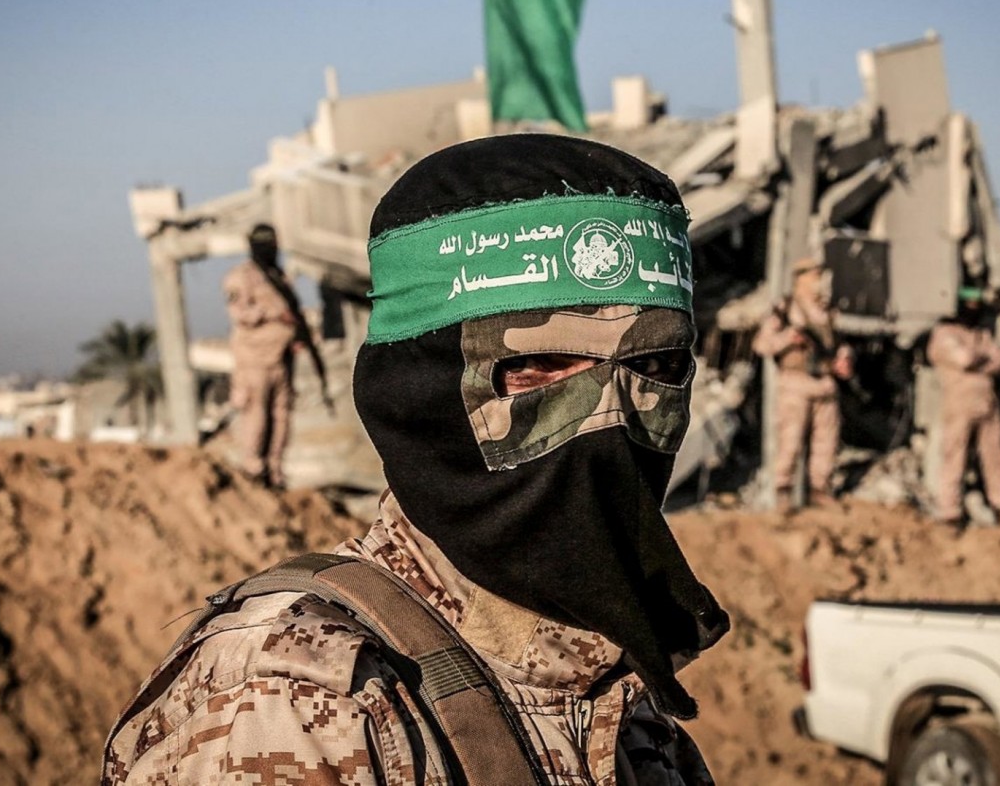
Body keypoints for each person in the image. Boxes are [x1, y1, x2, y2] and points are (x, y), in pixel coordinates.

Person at [104, 135, 730, 784]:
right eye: (538, 367)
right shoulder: (296, 703)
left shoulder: (619, 693)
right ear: (418, 390)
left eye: (655, 367)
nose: (610, 420)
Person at [753, 257, 853, 510]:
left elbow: (840, 341)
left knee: (827, 443)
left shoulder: (826, 310)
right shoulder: (786, 309)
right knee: (790, 440)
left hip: (825, 381)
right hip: (795, 382)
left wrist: (844, 358)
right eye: (813, 275)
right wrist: (789, 338)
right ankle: (783, 493)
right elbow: (762, 345)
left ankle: (820, 490)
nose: (819, 281)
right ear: (800, 279)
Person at [223, 224, 303, 488]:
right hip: (254, 360)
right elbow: (239, 314)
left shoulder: (277, 276)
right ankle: (253, 469)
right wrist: (275, 315)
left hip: (281, 359)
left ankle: (274, 472)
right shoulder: (241, 277)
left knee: (281, 416)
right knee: (255, 415)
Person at [926, 287, 1000, 525]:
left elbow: (999, 361)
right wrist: (984, 357)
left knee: (995, 455)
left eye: (977, 304)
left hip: (987, 403)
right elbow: (965, 359)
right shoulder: (944, 333)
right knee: (954, 455)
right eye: (969, 304)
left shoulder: (980, 333)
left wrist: (982, 358)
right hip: (959, 404)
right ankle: (949, 510)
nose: (973, 309)